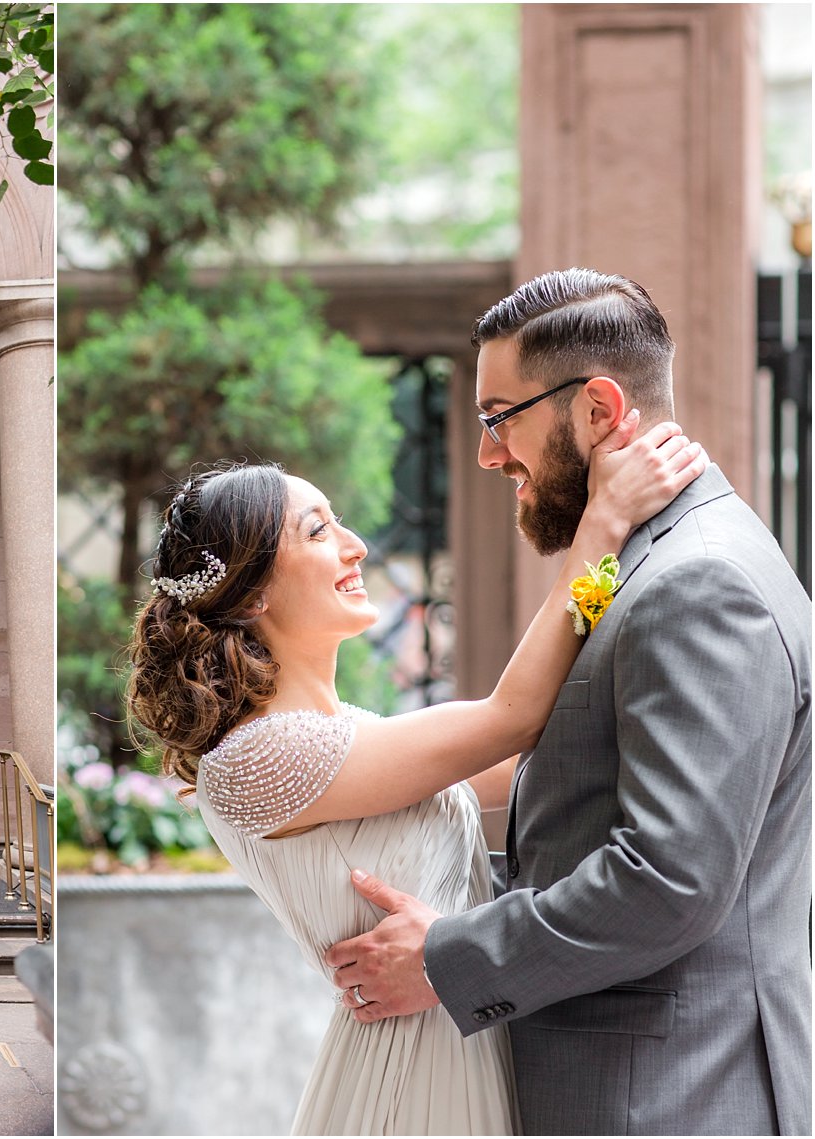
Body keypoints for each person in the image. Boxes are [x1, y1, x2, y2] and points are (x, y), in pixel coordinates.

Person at [327, 269, 812, 1137]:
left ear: (596, 408)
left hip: (670, 1097)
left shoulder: (698, 583)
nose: (487, 452)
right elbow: (561, 746)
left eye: (498, 417)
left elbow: (670, 881)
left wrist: (447, 958)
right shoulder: (640, 560)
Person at [125, 410, 703, 1134]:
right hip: (404, 1088)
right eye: (316, 531)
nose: (355, 546)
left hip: (459, 1050)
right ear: (251, 595)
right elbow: (514, 717)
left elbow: (538, 742)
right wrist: (605, 524)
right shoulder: (257, 756)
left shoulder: (356, 740)